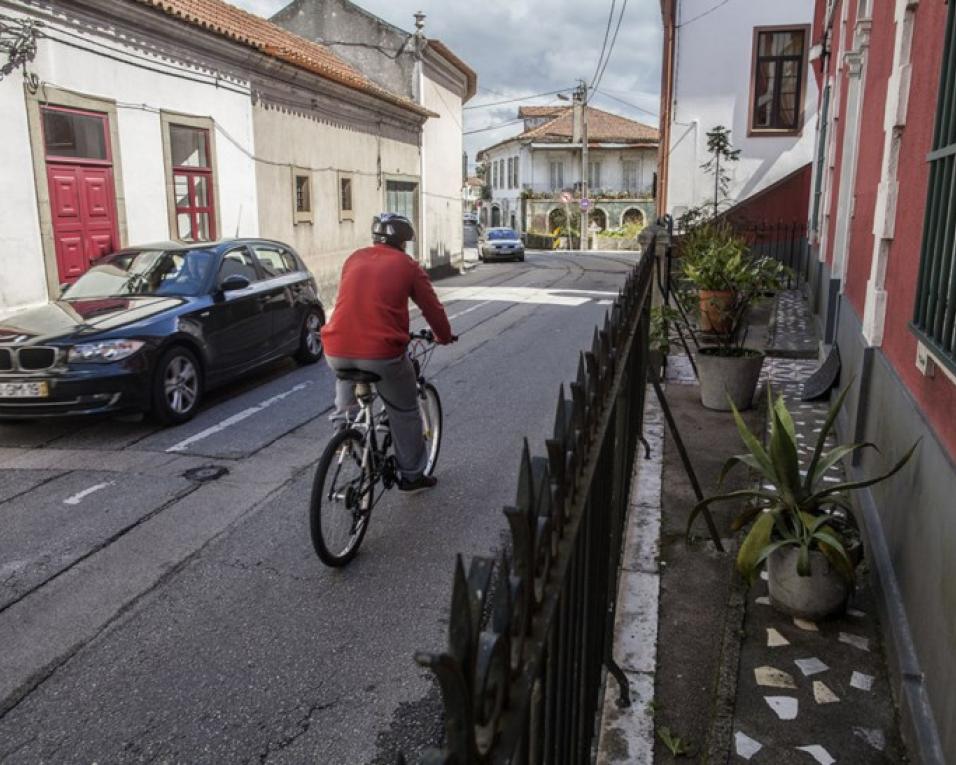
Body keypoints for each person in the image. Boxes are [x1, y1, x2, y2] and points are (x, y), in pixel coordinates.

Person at [321, 213, 455, 493]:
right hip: (381, 353)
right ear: (402, 242)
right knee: (405, 409)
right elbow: (432, 308)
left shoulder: (354, 258)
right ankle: (412, 475)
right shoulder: (407, 266)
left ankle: (346, 437)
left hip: (336, 348)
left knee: (347, 391)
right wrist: (443, 336)